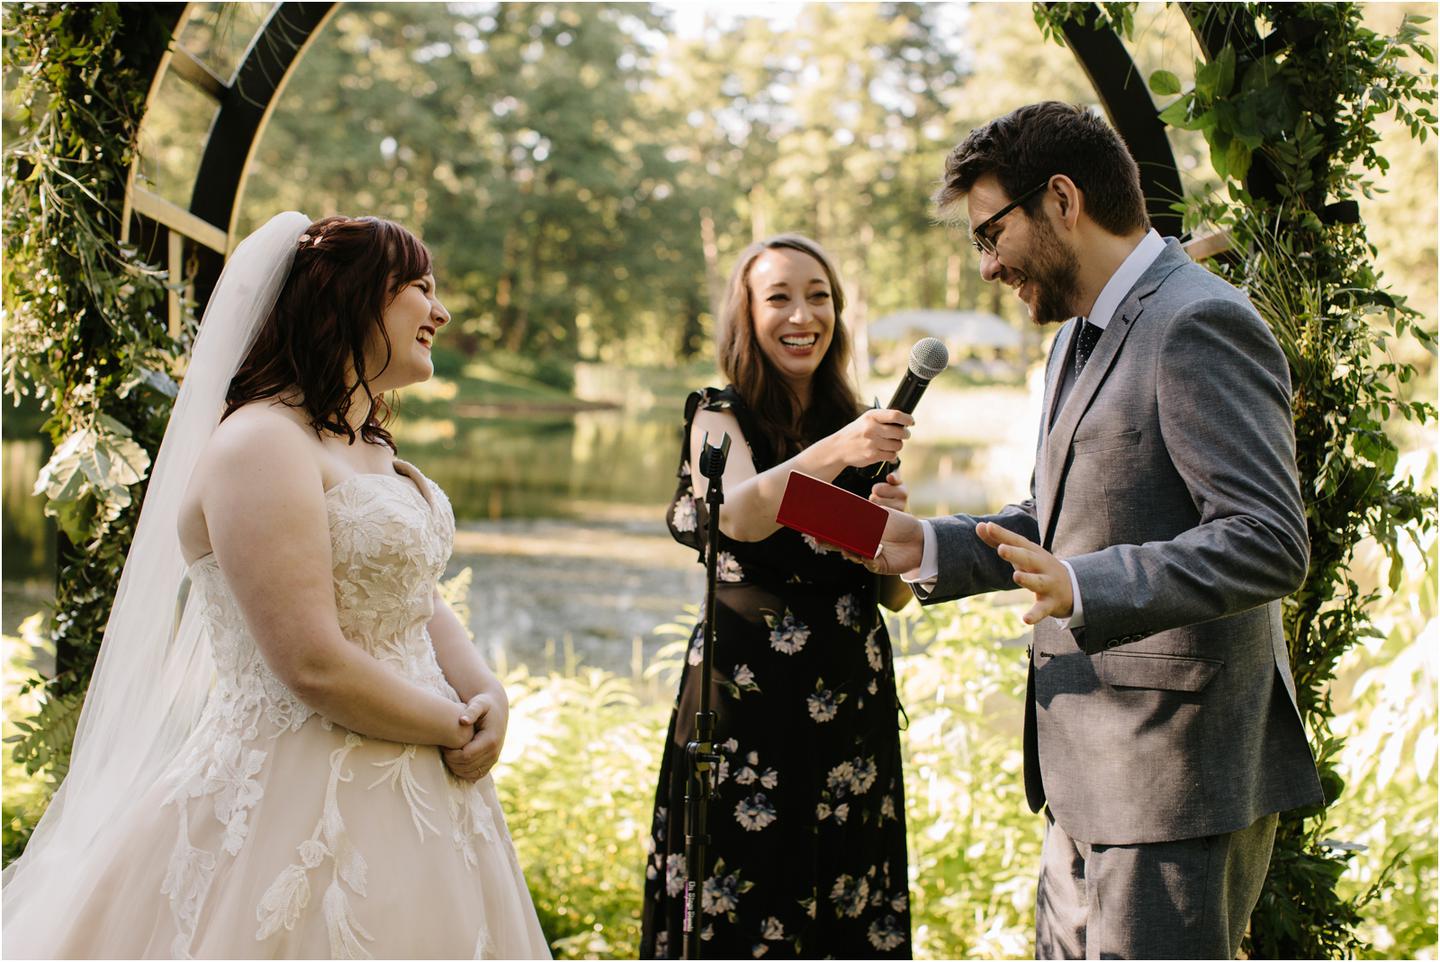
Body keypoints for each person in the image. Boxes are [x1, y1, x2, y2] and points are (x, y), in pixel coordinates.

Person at [2, 213, 551, 959]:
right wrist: (454, 727)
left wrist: (487, 690)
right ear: (351, 298)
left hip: (426, 793)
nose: (441, 311)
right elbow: (310, 664)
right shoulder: (261, 443)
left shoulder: (366, 449)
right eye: (420, 287)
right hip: (292, 805)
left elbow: (412, 602)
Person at [863, 102, 1324, 959]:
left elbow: (1267, 537)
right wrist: (925, 545)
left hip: (1174, 780)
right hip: (1086, 780)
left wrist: (1086, 586)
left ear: (1063, 199)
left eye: (990, 233)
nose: (989, 265)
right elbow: (1053, 518)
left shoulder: (1197, 321)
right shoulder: (1076, 338)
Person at [639, 235, 916, 958]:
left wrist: (887, 526)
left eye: (819, 295)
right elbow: (738, 513)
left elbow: (892, 595)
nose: (804, 314)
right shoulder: (718, 415)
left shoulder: (857, 423)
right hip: (744, 711)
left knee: (844, 901)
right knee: (741, 898)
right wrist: (840, 453)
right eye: (780, 297)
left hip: (848, 711)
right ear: (747, 314)